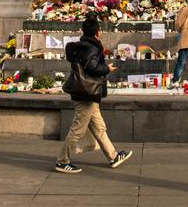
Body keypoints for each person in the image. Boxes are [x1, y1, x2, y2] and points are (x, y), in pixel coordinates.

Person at [55, 15, 132, 174]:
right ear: (97, 33)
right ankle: (62, 161)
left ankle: (113, 156)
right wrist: (107, 69)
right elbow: (92, 68)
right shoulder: (92, 48)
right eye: (100, 31)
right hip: (87, 95)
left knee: (99, 127)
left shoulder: (82, 46)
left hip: (87, 93)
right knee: (77, 129)